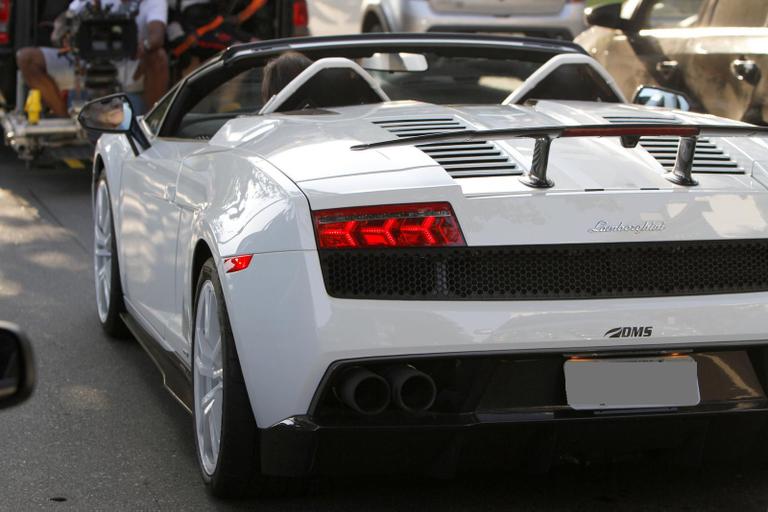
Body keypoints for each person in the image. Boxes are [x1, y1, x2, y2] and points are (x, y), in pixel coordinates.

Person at [16, 0, 169, 117]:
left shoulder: (153, 2)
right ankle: (65, 117)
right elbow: (65, 19)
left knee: (158, 56)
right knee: (27, 58)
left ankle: (152, 121)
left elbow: (157, 34)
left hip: (129, 64)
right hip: (83, 64)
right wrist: (64, 32)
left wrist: (145, 46)